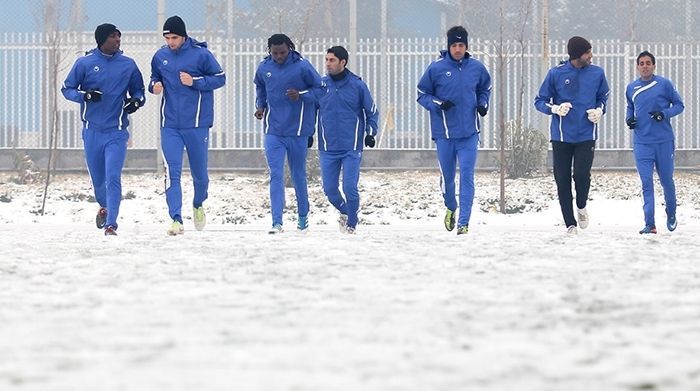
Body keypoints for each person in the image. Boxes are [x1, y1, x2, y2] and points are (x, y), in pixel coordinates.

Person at [62, 23, 145, 236]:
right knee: (99, 181)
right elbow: (67, 88)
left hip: (117, 132)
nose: (117, 41)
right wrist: (85, 95)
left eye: (119, 37)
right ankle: (104, 207)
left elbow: (139, 91)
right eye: (112, 38)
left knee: (112, 176)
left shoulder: (128, 65)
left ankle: (111, 224)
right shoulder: (85, 63)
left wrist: (135, 102)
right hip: (92, 132)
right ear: (101, 41)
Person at [149, 15, 226, 236]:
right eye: (167, 38)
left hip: (197, 124)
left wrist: (196, 82)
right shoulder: (160, 56)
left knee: (199, 175)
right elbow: (154, 77)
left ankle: (198, 204)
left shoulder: (201, 54)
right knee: (172, 172)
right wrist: (154, 85)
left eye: (174, 37)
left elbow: (220, 78)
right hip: (170, 125)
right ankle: (176, 219)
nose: (170, 42)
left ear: (183, 36)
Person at [417, 25, 492, 235]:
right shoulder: (436, 68)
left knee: (467, 175)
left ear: (466, 46)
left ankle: (464, 222)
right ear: (448, 46)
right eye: (454, 45)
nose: (458, 49)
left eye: (461, 45)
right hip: (445, 135)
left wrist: (482, 104)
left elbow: (485, 88)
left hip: (469, 134)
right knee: (448, 180)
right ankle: (451, 206)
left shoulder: (476, 67)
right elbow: (422, 94)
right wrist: (438, 103)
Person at [534, 36, 609, 235]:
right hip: (561, 136)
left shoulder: (597, 73)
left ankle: (582, 205)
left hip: (586, 134)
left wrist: (600, 110)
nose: (591, 55)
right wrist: (555, 108)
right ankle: (570, 224)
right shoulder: (556, 73)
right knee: (563, 179)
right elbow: (540, 101)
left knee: (582, 175)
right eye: (587, 52)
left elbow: (603, 97)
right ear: (577, 55)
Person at [254, 33, 322, 234]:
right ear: (270, 51)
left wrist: (301, 95)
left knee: (297, 174)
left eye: (282, 52)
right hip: (274, 130)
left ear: (289, 48)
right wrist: (260, 106)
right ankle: (277, 222)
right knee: (276, 174)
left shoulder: (302, 66)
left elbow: (320, 90)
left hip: (298, 131)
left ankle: (302, 217)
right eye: (275, 53)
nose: (279, 56)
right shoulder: (264, 67)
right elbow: (260, 87)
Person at [317, 46, 379, 234]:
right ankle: (347, 212)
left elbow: (372, 111)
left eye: (332, 60)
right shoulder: (320, 85)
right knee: (330, 190)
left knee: (349, 187)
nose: (328, 63)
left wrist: (370, 133)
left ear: (343, 62)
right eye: (327, 60)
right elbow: (310, 110)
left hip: (351, 147)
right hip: (327, 147)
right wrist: (306, 135)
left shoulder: (358, 85)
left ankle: (351, 224)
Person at [625, 51, 684, 234]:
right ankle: (650, 224)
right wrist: (629, 119)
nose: (645, 66)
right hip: (642, 143)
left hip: (663, 142)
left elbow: (679, 105)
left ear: (654, 65)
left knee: (666, 180)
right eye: (641, 63)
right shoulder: (631, 88)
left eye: (648, 63)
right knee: (646, 183)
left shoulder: (664, 84)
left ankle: (671, 213)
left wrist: (663, 114)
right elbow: (630, 107)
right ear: (637, 67)